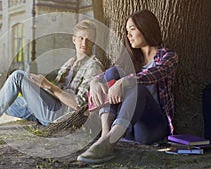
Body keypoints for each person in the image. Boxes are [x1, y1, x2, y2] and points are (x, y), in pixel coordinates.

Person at [77, 9, 179, 163]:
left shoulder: (168, 56)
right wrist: (95, 82)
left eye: (132, 29)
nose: (128, 35)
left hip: (151, 127)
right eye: (127, 31)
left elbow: (155, 73)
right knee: (112, 73)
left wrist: (125, 81)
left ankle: (109, 141)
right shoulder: (130, 60)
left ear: (146, 28)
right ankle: (106, 136)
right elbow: (106, 75)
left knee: (137, 88)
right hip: (125, 127)